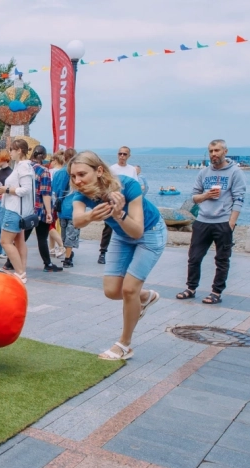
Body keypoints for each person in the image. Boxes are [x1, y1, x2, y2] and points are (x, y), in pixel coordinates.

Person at [71, 151, 166, 360]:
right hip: (122, 236)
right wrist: (90, 215)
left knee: (129, 289)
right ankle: (146, 297)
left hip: (150, 234)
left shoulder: (128, 186)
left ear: (99, 171)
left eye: (82, 174)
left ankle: (124, 345)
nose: (77, 181)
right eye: (73, 176)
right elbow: (77, 220)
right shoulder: (82, 193)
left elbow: (137, 231)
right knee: (112, 291)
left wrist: (119, 214)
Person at [176, 139, 246, 305]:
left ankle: (216, 292)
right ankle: (191, 288)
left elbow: (239, 198)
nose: (213, 154)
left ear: (225, 152)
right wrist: (206, 195)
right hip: (202, 221)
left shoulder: (235, 172)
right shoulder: (204, 172)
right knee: (194, 257)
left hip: (222, 222)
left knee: (222, 259)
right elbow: (194, 197)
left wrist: (231, 223)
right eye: (211, 151)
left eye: (217, 150)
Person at [0, 138, 35, 284]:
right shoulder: (22, 166)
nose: (10, 152)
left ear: (19, 151)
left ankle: (20, 272)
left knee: (5, 241)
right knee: (19, 241)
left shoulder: (23, 167)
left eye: (12, 150)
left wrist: (6, 190)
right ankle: (21, 272)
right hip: (17, 209)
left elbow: (26, 189)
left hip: (14, 210)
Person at [98, 146, 139, 264]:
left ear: (128, 156)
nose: (122, 156)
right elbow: (105, 185)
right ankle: (102, 252)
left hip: (127, 203)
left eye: (124, 154)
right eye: (120, 153)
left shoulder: (132, 170)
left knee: (127, 227)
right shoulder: (112, 169)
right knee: (108, 228)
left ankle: (127, 253)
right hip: (112, 203)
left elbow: (135, 186)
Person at [29, 145, 63, 272]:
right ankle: (48, 264)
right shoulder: (43, 171)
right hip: (40, 209)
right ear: (43, 156)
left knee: (23, 237)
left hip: (28, 209)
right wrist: (49, 212)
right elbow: (45, 193)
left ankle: (10, 262)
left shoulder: (26, 167)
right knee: (42, 238)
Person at [54, 148, 80, 267]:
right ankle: (68, 258)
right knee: (72, 233)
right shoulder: (77, 174)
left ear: (64, 158)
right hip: (74, 207)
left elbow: (54, 190)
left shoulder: (58, 173)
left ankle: (68, 254)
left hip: (62, 207)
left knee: (64, 233)